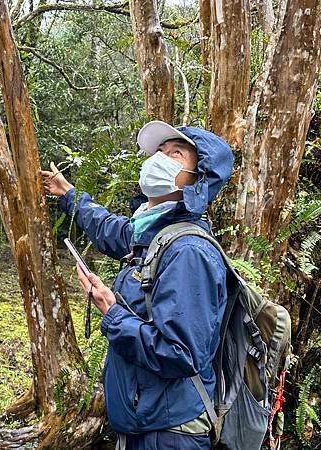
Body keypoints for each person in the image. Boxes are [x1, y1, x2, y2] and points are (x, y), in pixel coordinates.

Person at [41, 120, 234, 450]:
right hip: (148, 424)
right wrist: (68, 194)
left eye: (176, 154)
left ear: (198, 179)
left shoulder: (188, 252)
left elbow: (181, 353)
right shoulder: (153, 233)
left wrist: (112, 312)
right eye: (160, 151)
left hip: (170, 433)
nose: (160, 158)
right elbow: (110, 229)